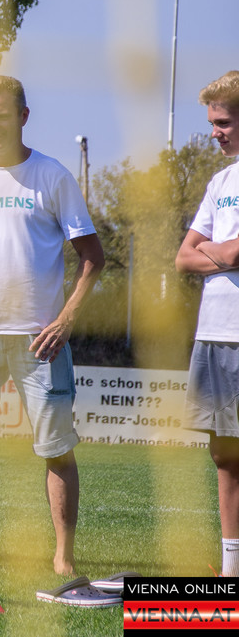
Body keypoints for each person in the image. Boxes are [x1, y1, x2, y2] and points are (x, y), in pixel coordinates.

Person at [0, 75, 104, 576]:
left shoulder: (53, 176)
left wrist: (66, 319)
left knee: (56, 450)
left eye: (0, 117)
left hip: (40, 341)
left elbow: (93, 257)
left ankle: (63, 556)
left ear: (23, 117)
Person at [175, 70, 239, 577]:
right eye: (212, 122)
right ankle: (230, 569)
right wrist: (225, 253)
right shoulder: (220, 182)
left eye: (223, 122)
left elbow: (228, 252)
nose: (214, 132)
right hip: (213, 333)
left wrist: (216, 252)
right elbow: (183, 258)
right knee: (224, 455)